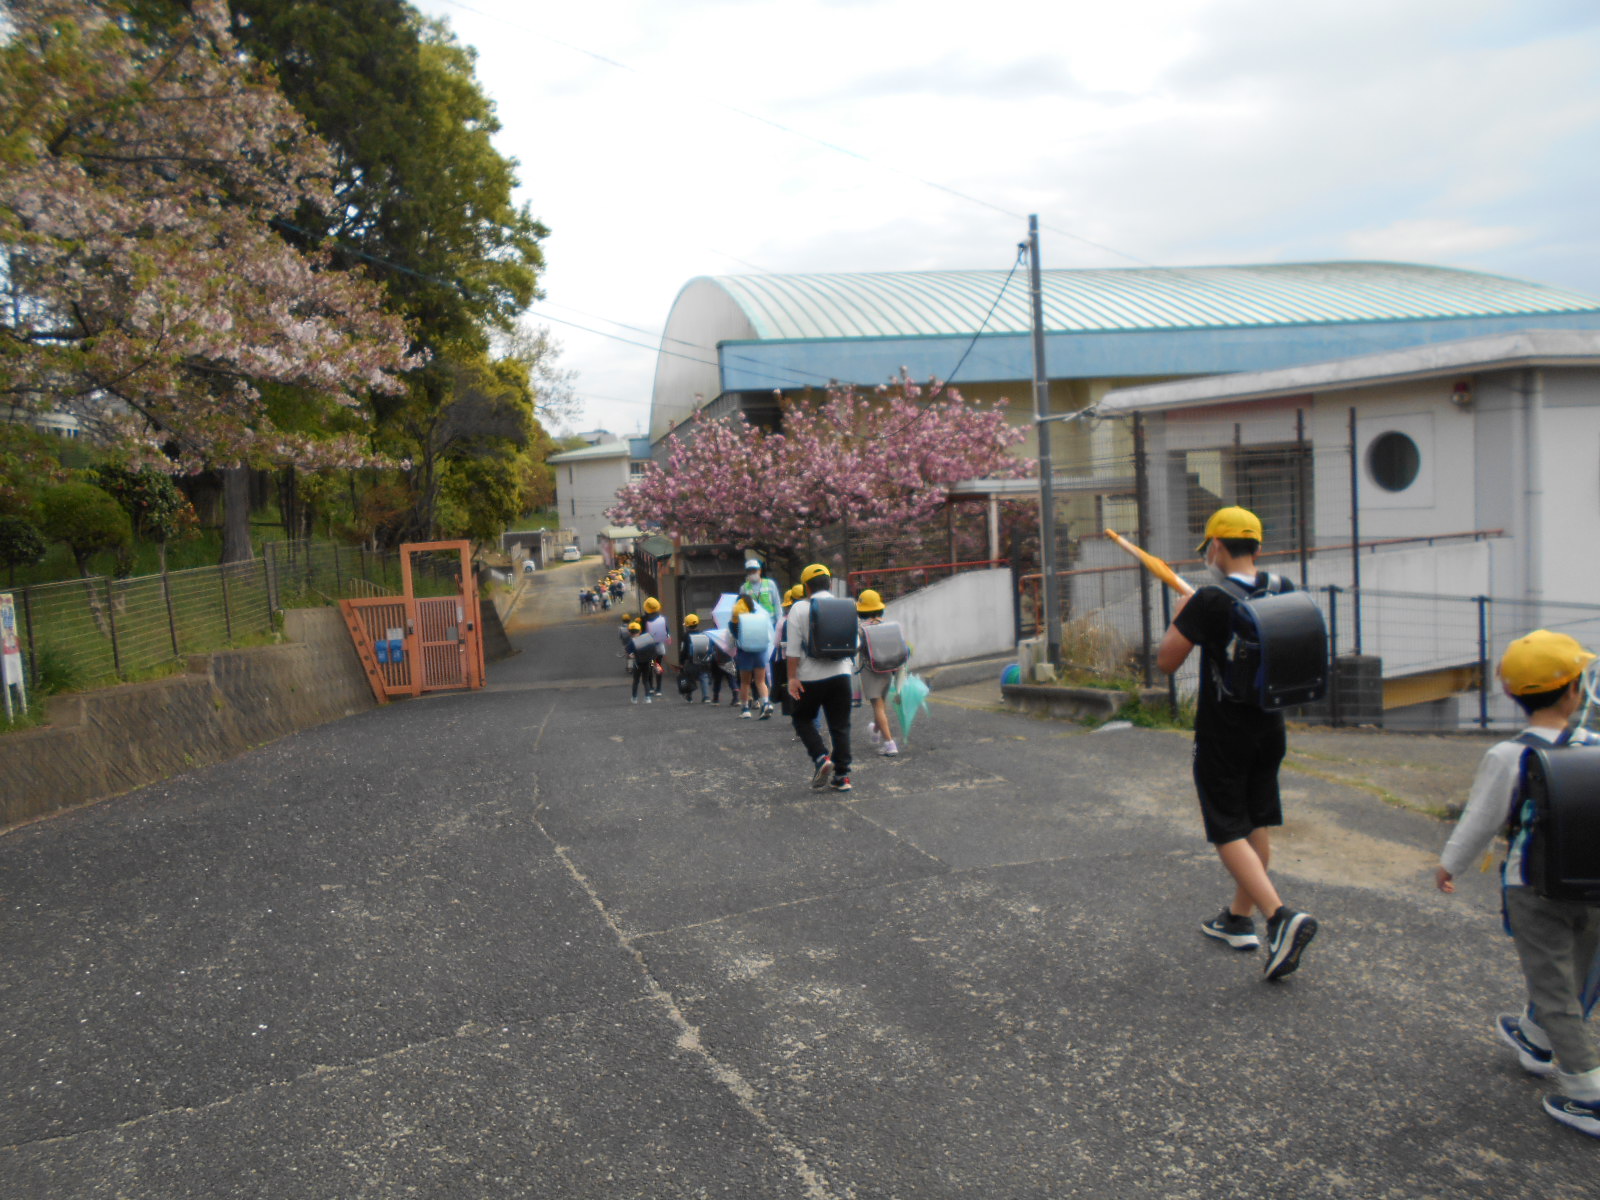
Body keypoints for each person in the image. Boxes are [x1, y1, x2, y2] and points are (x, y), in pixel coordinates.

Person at [1436, 630, 1600, 1138]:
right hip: (1594, 885)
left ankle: (1588, 1096)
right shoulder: (1596, 746)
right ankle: (1534, 1039)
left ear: (1511, 694)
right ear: (1576, 690)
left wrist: (1450, 865)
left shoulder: (1509, 755)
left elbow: (1481, 820)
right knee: (1578, 972)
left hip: (1532, 887)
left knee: (1551, 986)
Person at [1156, 505, 1318, 982]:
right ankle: (1237, 919)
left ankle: (1279, 917)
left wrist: (1181, 615)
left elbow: (1166, 661)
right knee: (1256, 819)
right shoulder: (1285, 589)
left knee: (1227, 827)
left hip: (1224, 730)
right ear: (1258, 548)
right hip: (1271, 725)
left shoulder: (1209, 599)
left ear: (1218, 548)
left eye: (1209, 547)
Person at [785, 563, 854, 792]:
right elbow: (856, 643)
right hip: (841, 674)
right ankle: (842, 777)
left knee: (802, 718)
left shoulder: (798, 609)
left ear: (806, 587)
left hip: (810, 677)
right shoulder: (845, 605)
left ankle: (821, 757)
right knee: (840, 726)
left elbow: (792, 649)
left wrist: (792, 678)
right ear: (830, 583)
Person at [855, 589, 899, 757]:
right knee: (881, 706)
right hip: (888, 670)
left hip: (870, 672)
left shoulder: (862, 630)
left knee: (878, 706)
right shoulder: (887, 626)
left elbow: (855, 647)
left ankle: (890, 744)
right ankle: (875, 729)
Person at [730, 596, 775, 719]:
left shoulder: (736, 620)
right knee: (760, 681)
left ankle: (745, 709)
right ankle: (766, 703)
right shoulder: (760, 616)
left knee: (745, 682)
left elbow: (734, 635)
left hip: (744, 653)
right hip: (761, 651)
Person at [681, 613, 714, 703]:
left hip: (691, 661)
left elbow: (683, 650)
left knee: (689, 677)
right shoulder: (703, 634)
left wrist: (681, 661)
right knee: (704, 676)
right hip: (703, 660)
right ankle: (706, 696)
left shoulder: (685, 636)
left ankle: (689, 696)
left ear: (687, 626)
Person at [627, 621, 661, 703]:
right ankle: (647, 697)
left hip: (638, 664)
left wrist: (631, 658)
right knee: (646, 681)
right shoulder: (648, 638)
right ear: (640, 631)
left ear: (630, 633)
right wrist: (655, 665)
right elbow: (653, 655)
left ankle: (634, 698)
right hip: (648, 663)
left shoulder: (632, 642)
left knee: (636, 681)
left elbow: (630, 654)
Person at [643, 597, 669, 699]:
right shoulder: (662, 619)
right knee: (657, 666)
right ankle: (658, 689)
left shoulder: (645, 619)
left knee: (650, 667)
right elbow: (667, 633)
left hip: (649, 649)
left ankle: (651, 687)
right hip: (659, 648)